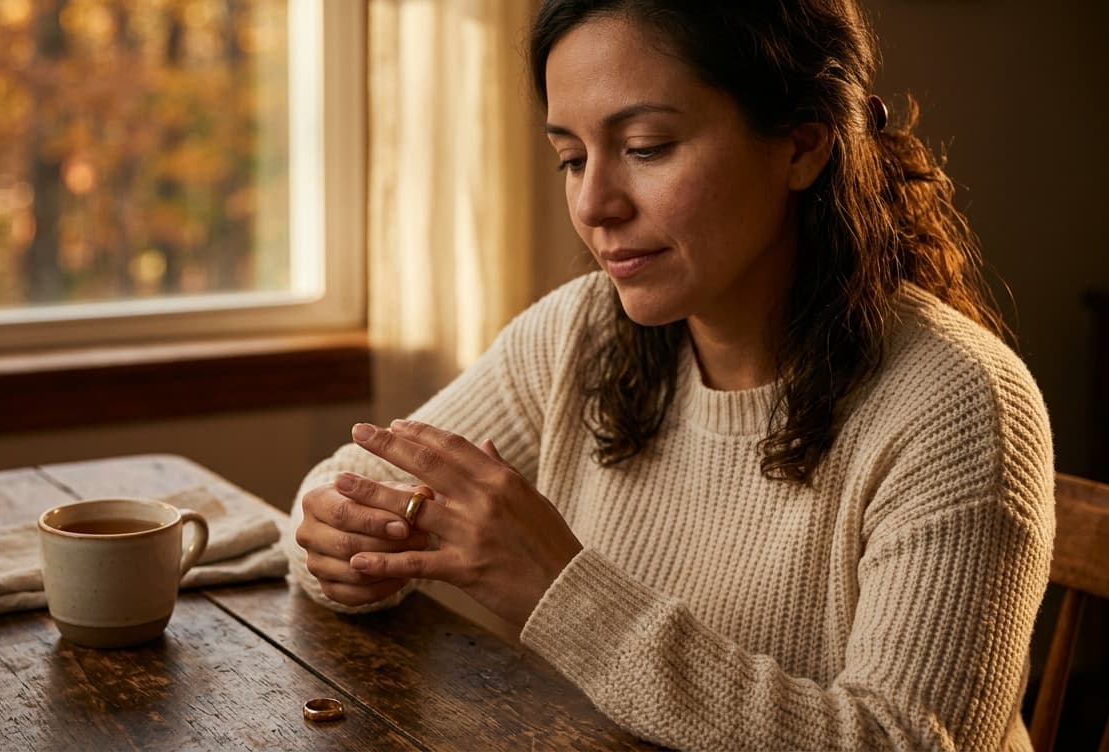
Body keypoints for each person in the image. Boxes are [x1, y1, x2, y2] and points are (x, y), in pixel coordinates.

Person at [286, 0, 1054, 749]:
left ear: (802, 146)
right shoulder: (580, 332)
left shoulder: (958, 402)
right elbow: (340, 490)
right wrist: (348, 551)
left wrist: (561, 588)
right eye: (571, 157)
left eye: (647, 146)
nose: (593, 204)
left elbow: (906, 740)